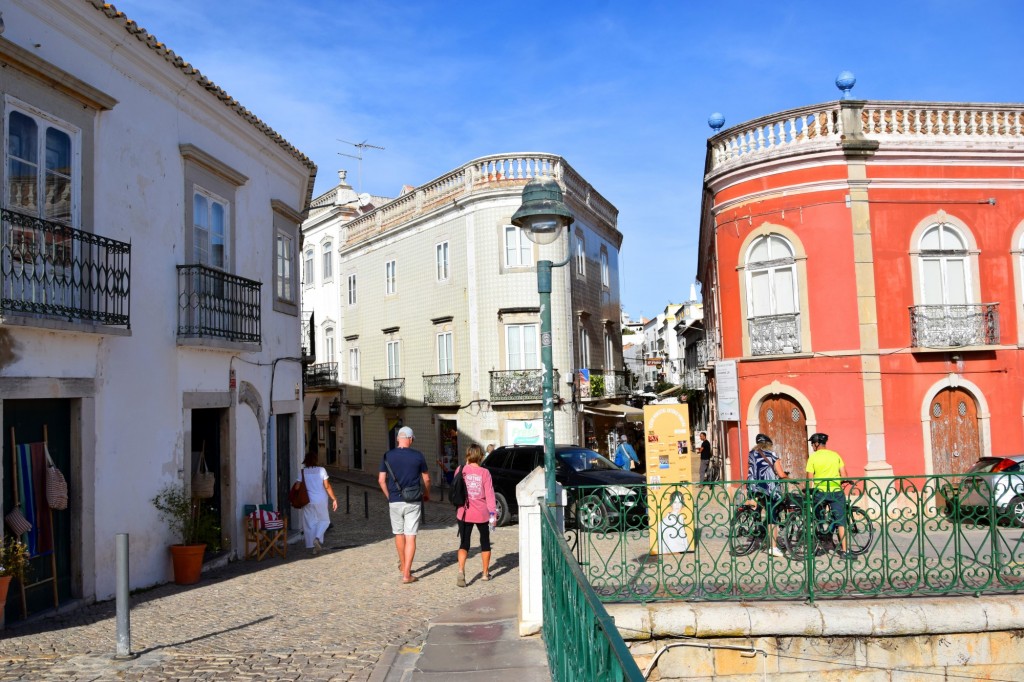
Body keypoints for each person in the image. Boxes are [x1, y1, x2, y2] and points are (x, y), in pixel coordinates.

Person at [378, 426, 431, 584]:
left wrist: (390, 496)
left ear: (398, 439)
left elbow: (381, 480)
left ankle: (403, 566)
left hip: (395, 501)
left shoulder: (387, 456)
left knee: (398, 534)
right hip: (413, 500)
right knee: (411, 536)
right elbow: (427, 479)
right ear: (410, 439)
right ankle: (407, 574)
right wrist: (427, 493)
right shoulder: (418, 456)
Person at [454, 443, 497, 586]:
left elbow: (455, 488)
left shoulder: (461, 470)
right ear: (480, 456)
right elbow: (490, 496)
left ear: (467, 455)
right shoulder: (485, 473)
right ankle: (485, 574)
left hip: (464, 512)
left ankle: (461, 571)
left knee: (464, 543)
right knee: (485, 542)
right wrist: (493, 515)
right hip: (482, 513)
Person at [805, 432, 849, 557]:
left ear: (817, 443)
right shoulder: (835, 455)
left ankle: (818, 547)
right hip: (836, 491)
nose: (812, 446)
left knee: (818, 519)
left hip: (820, 493)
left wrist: (808, 492)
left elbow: (809, 478)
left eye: (813, 444)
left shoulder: (813, 457)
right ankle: (845, 551)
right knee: (841, 521)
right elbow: (844, 475)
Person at [747, 433, 788, 557]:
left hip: (754, 487)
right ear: (768, 445)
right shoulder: (772, 454)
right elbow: (780, 474)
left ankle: (760, 531)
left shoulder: (751, 454)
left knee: (762, 508)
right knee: (772, 515)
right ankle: (773, 547)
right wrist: (787, 478)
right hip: (769, 488)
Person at [299, 450, 338, 554]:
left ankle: (314, 546)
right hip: (321, 500)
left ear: (306, 461)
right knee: (324, 521)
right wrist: (334, 498)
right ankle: (316, 540)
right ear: (316, 460)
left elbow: (298, 486)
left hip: (307, 501)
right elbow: (327, 486)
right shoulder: (321, 470)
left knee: (310, 523)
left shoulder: (303, 472)